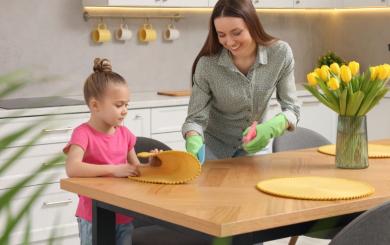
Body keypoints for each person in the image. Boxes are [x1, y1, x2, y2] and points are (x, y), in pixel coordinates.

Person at [182, 0, 301, 161]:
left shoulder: (280, 54)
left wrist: (274, 126)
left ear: (252, 25)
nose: (229, 42)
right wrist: (193, 137)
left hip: (256, 147)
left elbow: (292, 109)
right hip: (214, 151)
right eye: (221, 35)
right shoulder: (207, 65)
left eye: (236, 32)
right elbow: (195, 119)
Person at [64, 58, 158, 245]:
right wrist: (114, 169)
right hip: (93, 216)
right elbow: (72, 168)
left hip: (124, 215)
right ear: (95, 105)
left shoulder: (125, 134)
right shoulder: (83, 134)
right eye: (118, 105)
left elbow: (135, 170)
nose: (124, 111)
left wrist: (151, 166)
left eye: (127, 105)